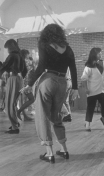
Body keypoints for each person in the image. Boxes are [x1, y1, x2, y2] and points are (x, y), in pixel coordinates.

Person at [22, 24, 78, 164]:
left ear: (46, 34)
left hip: (48, 80)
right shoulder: (68, 48)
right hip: (62, 82)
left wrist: (29, 84)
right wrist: (75, 87)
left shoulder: (44, 44)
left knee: (43, 116)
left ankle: (49, 153)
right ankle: (64, 149)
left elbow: (41, 66)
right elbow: (73, 68)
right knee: (56, 116)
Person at [0, 39, 27, 134]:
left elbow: (2, 68)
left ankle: (15, 127)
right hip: (19, 80)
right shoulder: (20, 55)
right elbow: (25, 70)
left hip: (13, 79)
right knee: (13, 103)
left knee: (8, 104)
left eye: (7, 48)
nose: (7, 50)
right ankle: (15, 123)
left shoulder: (12, 56)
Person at [81, 48, 104, 131]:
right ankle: (87, 124)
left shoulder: (100, 64)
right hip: (92, 90)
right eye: (99, 54)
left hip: (102, 90)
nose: (101, 55)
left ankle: (103, 118)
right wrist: (86, 88)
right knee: (91, 107)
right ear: (94, 55)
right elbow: (84, 78)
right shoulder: (88, 66)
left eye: (101, 53)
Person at [17, 51, 35, 121]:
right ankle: (19, 112)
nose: (28, 55)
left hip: (23, 82)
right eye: (28, 54)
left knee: (23, 100)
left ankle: (24, 115)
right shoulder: (25, 61)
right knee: (31, 99)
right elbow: (28, 71)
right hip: (25, 83)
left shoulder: (21, 61)